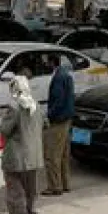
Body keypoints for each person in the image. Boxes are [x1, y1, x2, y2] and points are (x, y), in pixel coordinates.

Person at [0, 74, 44, 214]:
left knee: (16, 194)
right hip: (34, 157)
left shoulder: (14, 108)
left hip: (16, 159)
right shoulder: (36, 106)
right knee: (30, 192)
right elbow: (43, 126)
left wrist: (3, 118)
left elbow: (5, 130)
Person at [42, 53, 75, 196]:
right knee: (63, 155)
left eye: (46, 61)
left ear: (51, 62)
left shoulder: (58, 78)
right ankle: (65, 183)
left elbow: (58, 100)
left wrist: (49, 116)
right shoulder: (65, 75)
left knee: (51, 154)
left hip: (58, 121)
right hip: (67, 119)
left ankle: (55, 186)